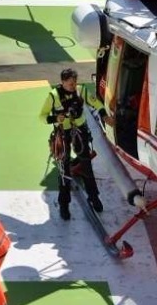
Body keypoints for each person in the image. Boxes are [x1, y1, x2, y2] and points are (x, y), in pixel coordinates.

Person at [39, 68, 113, 220]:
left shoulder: (81, 91)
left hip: (80, 132)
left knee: (86, 165)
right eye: (71, 83)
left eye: (75, 83)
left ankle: (94, 197)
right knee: (64, 170)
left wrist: (104, 115)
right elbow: (42, 116)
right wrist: (55, 119)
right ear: (63, 82)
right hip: (63, 134)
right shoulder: (53, 96)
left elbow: (96, 103)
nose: (74, 86)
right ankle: (64, 205)